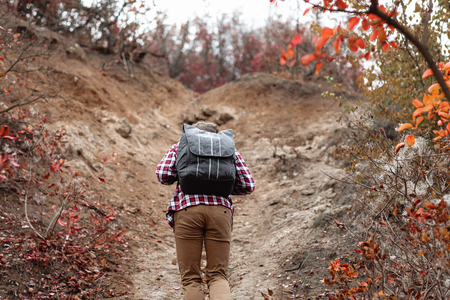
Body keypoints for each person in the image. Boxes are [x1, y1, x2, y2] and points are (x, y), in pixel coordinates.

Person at [156, 121, 255, 300]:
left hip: (187, 211)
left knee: (190, 278)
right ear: (216, 135)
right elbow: (248, 185)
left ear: (193, 135)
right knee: (218, 275)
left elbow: (163, 175)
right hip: (220, 212)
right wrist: (223, 186)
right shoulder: (228, 149)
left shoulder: (180, 146)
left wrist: (184, 176)